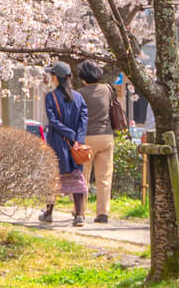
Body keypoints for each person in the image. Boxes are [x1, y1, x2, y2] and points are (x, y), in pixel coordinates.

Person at [39, 62, 88, 227]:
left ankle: (48, 212)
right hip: (75, 146)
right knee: (76, 177)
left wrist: (69, 135)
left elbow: (53, 121)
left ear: (55, 78)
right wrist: (78, 139)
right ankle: (79, 214)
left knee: (53, 178)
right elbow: (83, 120)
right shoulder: (79, 97)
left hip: (57, 143)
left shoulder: (50, 97)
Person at [77, 61, 122, 223]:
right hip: (106, 137)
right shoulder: (108, 89)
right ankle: (103, 213)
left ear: (83, 78)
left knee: (83, 177)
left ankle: (80, 212)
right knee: (104, 177)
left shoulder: (79, 93)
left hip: (86, 138)